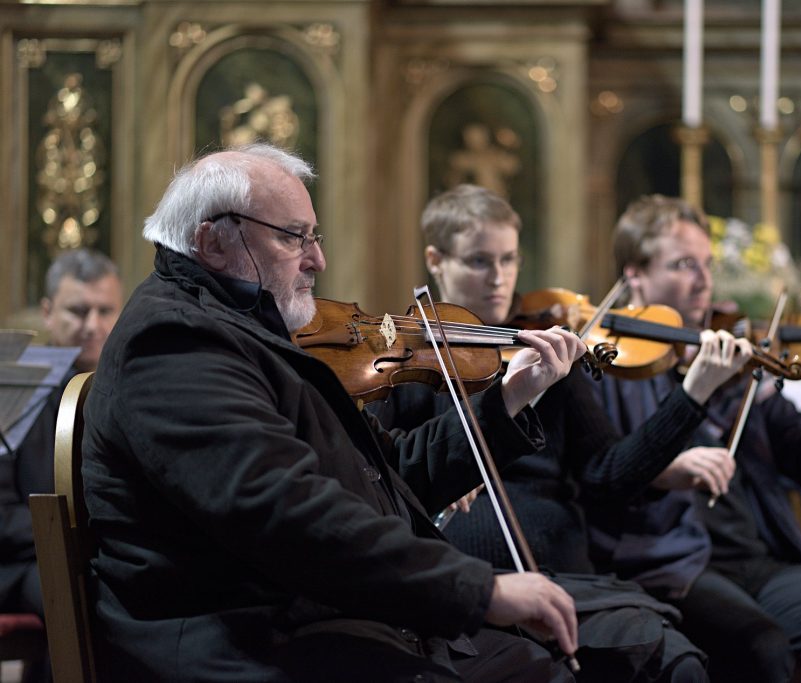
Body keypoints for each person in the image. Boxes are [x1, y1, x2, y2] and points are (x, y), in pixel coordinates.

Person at [81, 144, 595, 682]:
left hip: (318, 622)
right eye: (291, 236)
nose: (317, 259)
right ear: (212, 241)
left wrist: (507, 398)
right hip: (248, 644)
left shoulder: (248, 329)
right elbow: (283, 511)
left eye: (313, 236)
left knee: (581, 657)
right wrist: (477, 589)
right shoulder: (173, 344)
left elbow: (385, 473)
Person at [368, 184, 753, 683]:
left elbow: (610, 477)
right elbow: (383, 479)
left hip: (567, 581)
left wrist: (691, 396)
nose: (499, 279)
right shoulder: (403, 361)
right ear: (436, 260)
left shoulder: (545, 355)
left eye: (509, 260)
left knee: (678, 666)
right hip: (467, 590)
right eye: (480, 261)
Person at [586, 194, 801, 682]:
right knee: (761, 652)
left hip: (756, 557)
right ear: (634, 275)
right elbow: (603, 477)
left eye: (708, 264)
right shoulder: (610, 365)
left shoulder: (738, 359)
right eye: (683, 265)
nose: (704, 281)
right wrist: (668, 466)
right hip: (669, 562)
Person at [0, 248, 123, 619]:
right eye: (78, 310)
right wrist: (74, 533)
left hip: (96, 552)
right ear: (48, 313)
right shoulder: (13, 389)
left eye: (105, 311)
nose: (92, 326)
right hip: (22, 561)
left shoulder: (128, 389)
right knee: (85, 597)